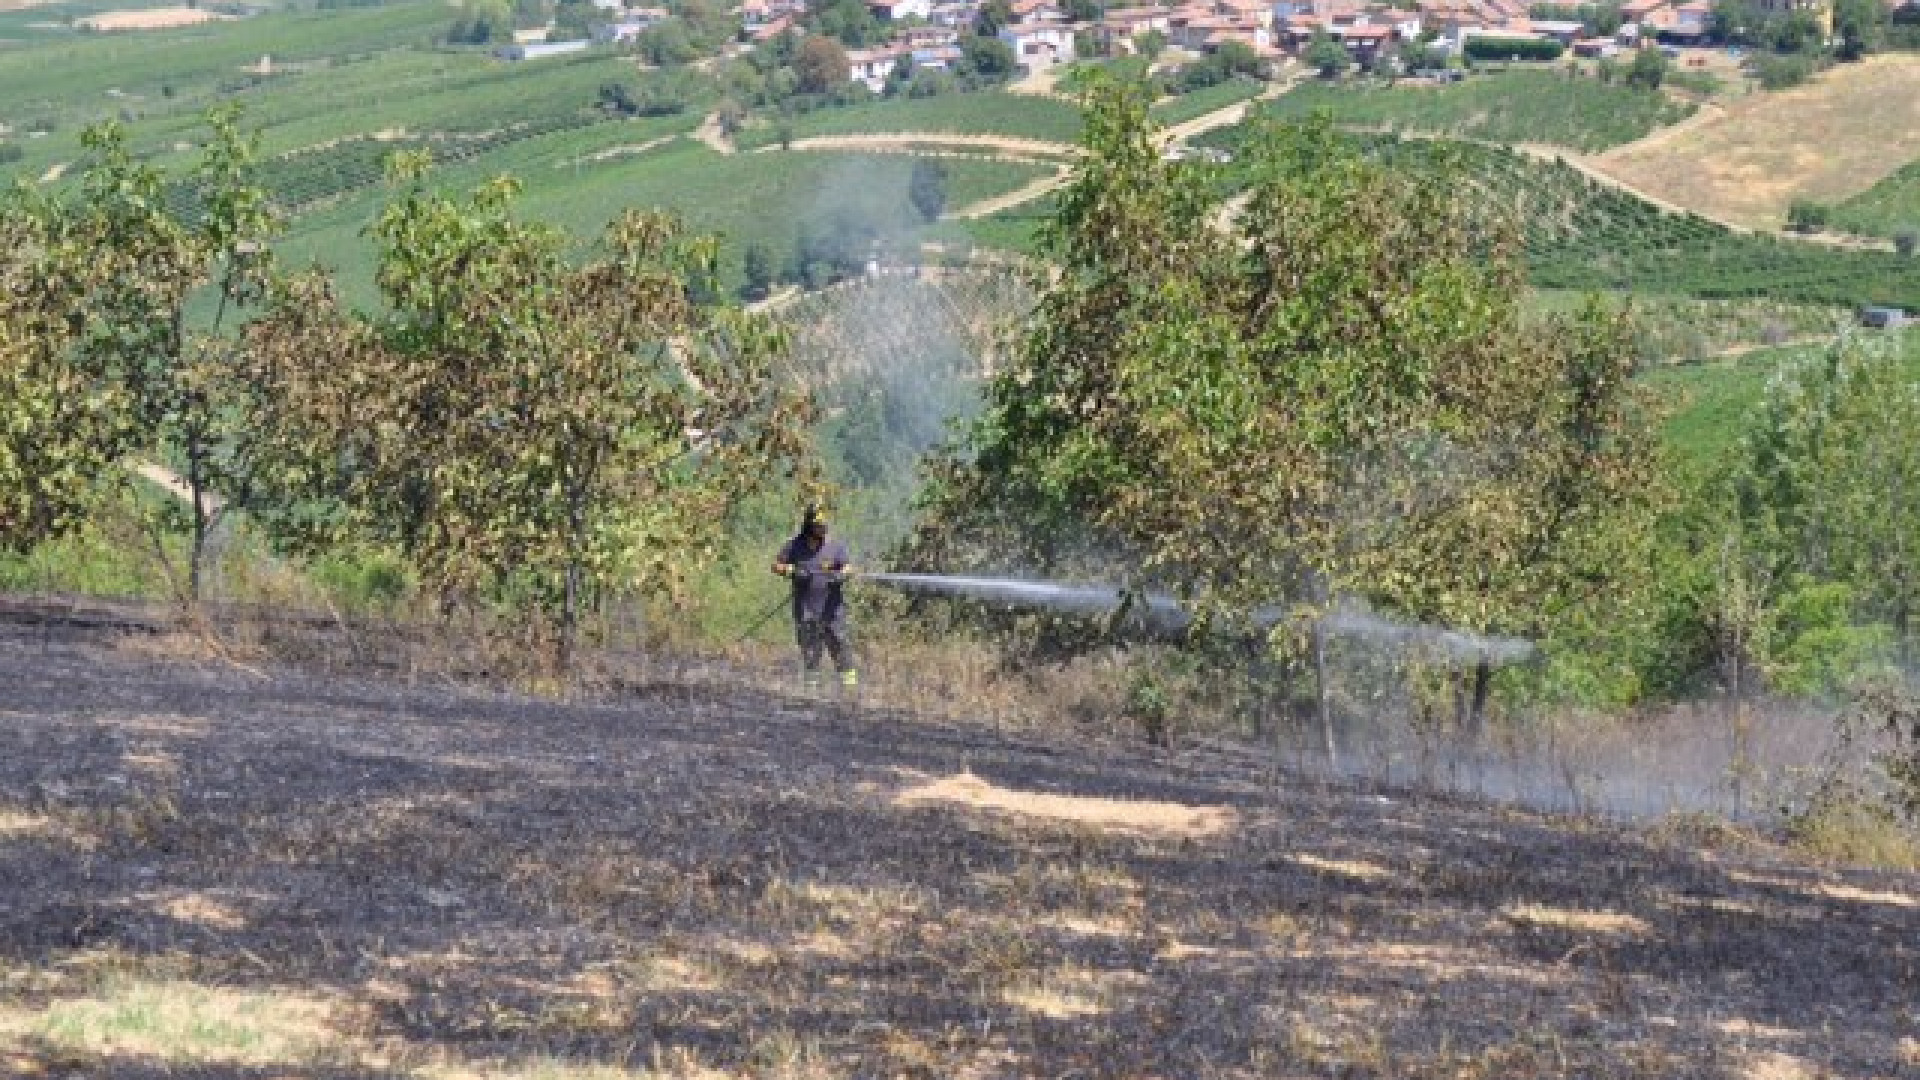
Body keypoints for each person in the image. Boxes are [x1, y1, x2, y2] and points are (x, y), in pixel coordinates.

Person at [772, 505, 857, 688]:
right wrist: (793, 570)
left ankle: (850, 691)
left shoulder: (835, 546)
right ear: (809, 525)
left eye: (825, 525)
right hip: (806, 610)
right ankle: (811, 693)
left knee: (840, 647)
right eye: (819, 525)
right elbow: (776, 565)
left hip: (832, 611)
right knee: (810, 652)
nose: (824, 529)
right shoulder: (794, 546)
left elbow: (848, 567)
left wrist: (841, 575)